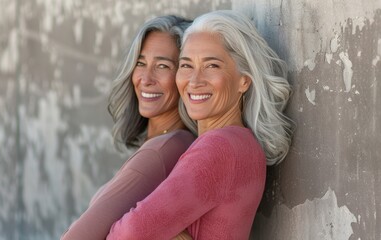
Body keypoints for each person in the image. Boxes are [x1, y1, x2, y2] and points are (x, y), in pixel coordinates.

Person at [106, 10, 294, 240]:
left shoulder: (219, 147)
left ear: (244, 80)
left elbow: (129, 234)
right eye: (186, 65)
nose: (194, 81)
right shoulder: (242, 143)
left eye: (211, 66)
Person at [61, 15, 196, 240]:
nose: (145, 78)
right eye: (141, 63)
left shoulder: (163, 151)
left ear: (184, 75)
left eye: (162, 66)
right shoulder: (171, 144)